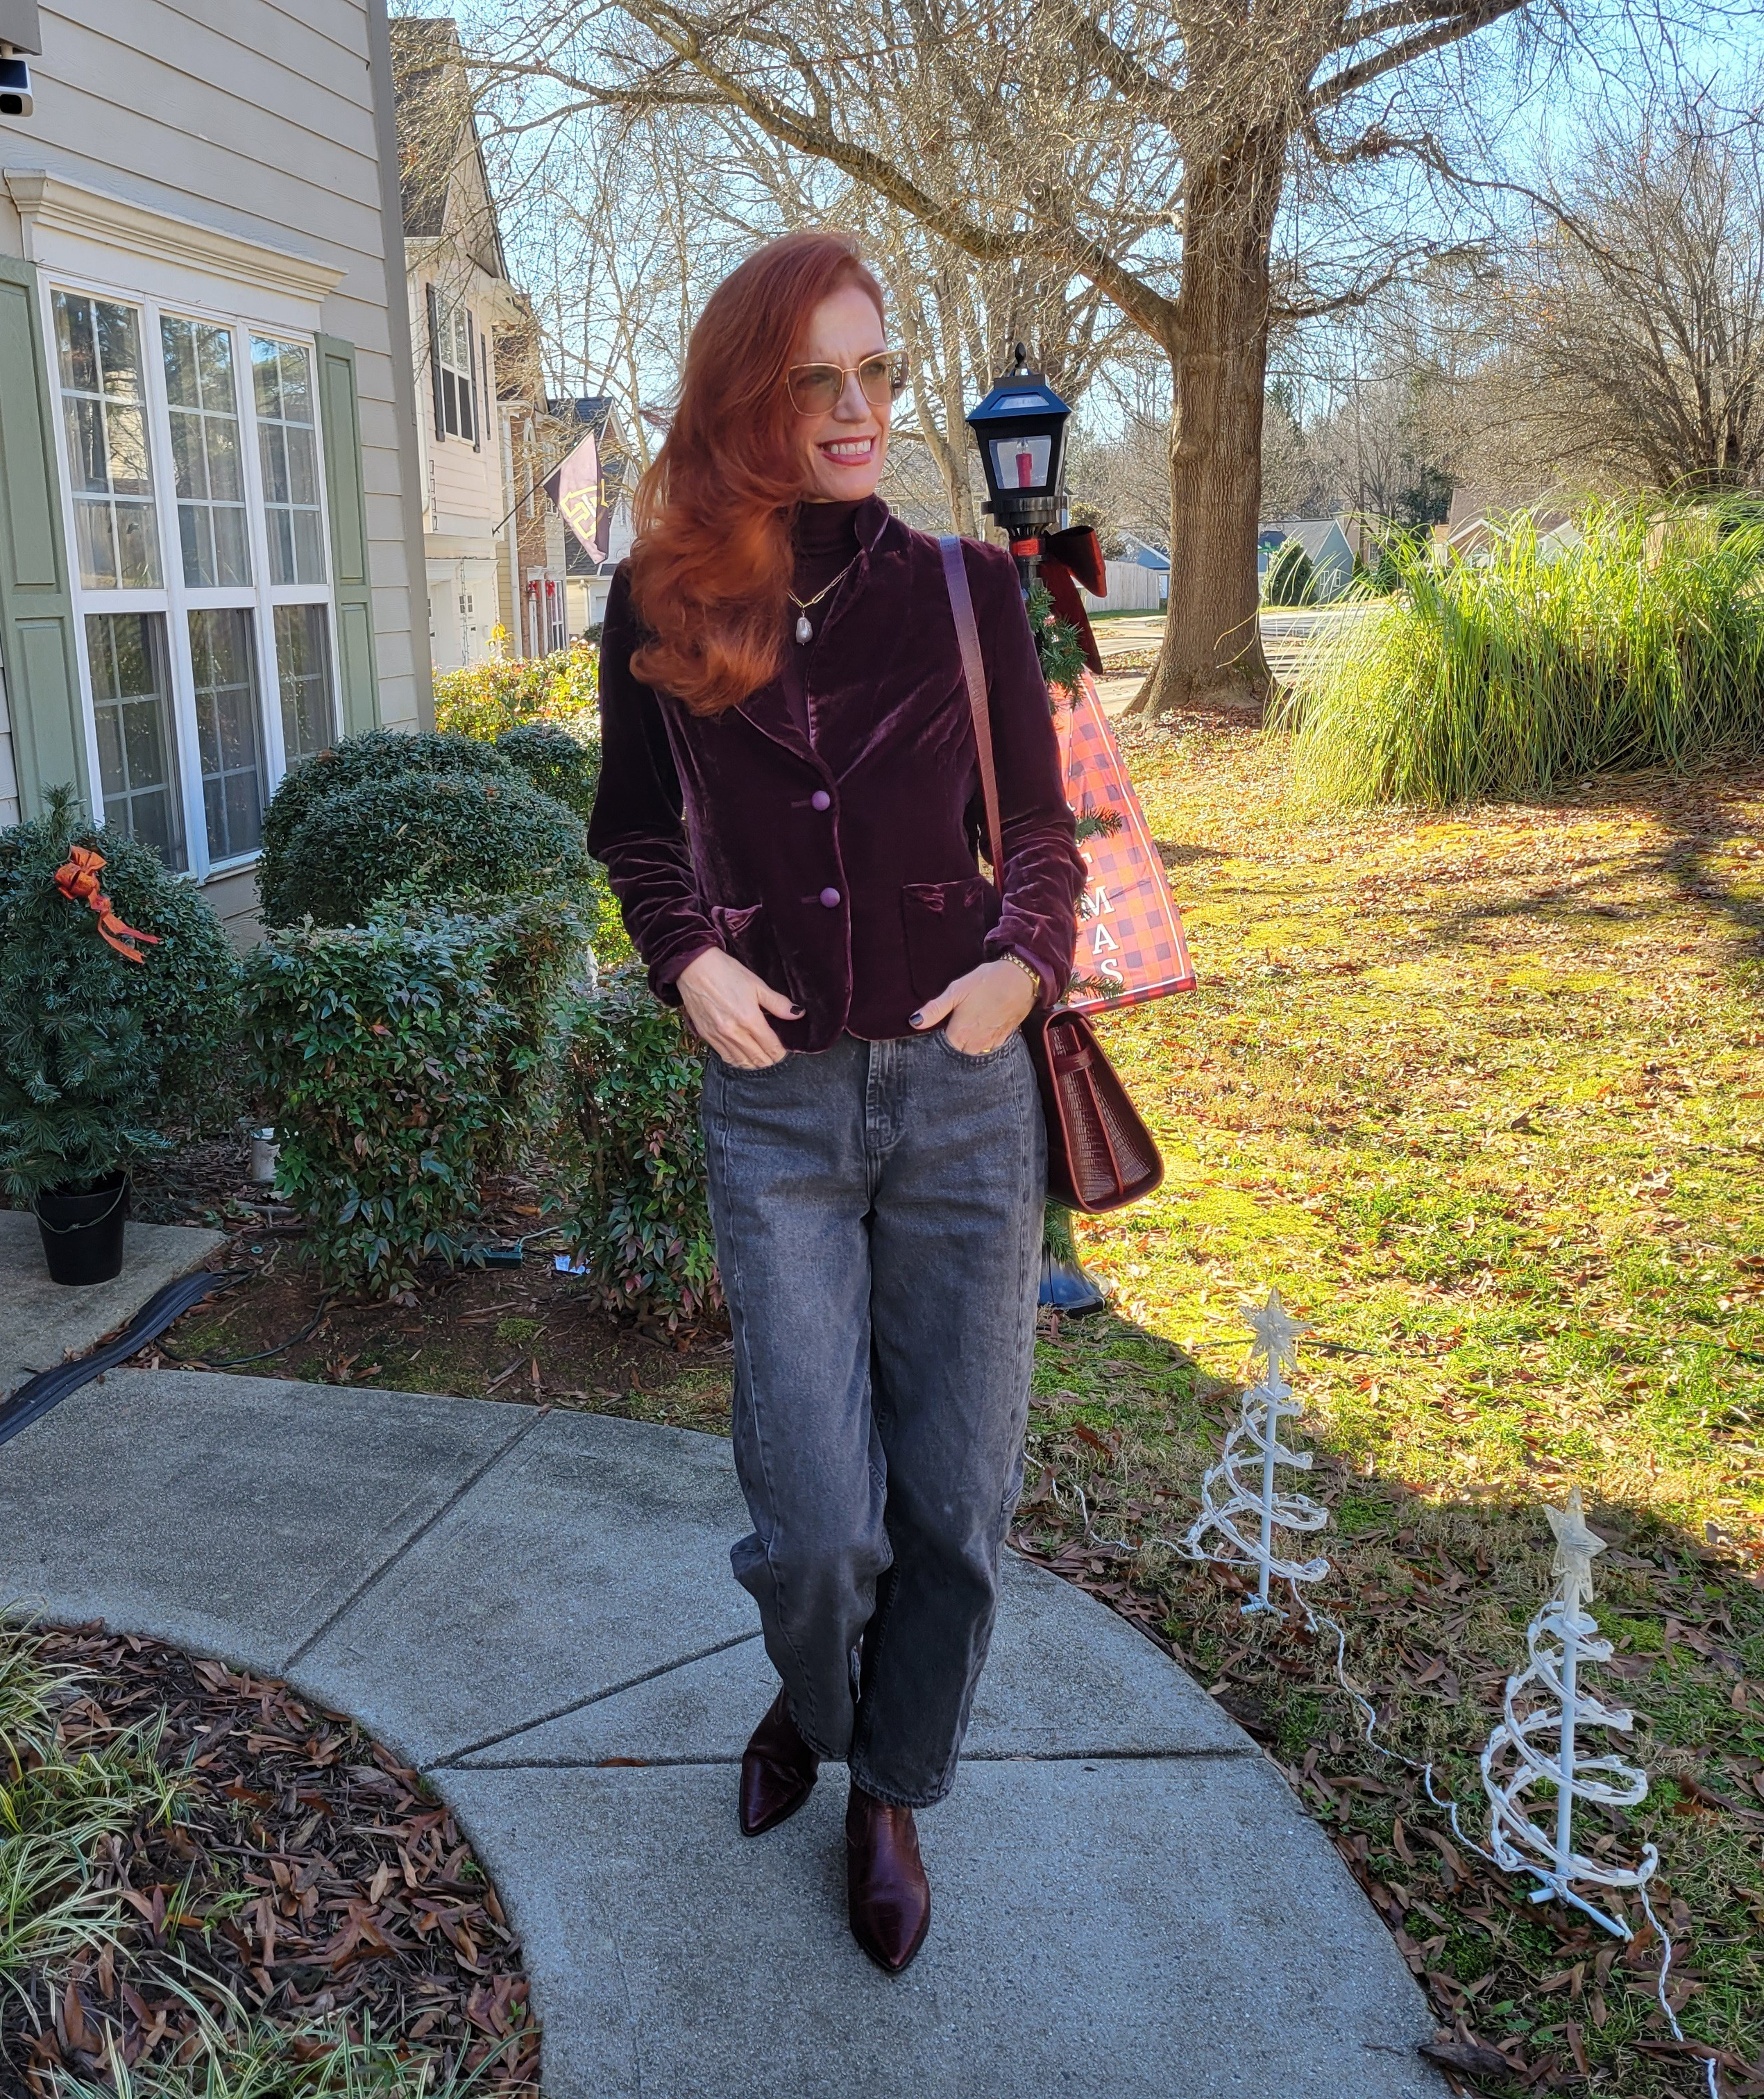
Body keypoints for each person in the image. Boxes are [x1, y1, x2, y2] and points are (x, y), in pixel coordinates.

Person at [588, 229, 1083, 1974]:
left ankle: (886, 1784)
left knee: (952, 1503)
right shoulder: (663, 599)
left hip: (961, 1100)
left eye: (880, 370)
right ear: (750, 399)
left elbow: (1042, 839)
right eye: (823, 381)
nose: (865, 406)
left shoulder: (964, 591)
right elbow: (637, 835)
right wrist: (686, 958)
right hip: (781, 1108)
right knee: (814, 1521)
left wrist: (1025, 963)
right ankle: (811, 1691)